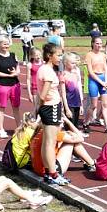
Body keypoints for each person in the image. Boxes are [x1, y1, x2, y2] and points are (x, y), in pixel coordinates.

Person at [37, 42, 68, 185]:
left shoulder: (43, 69)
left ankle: (48, 171)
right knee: (50, 142)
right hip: (51, 107)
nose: (60, 58)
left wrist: (38, 109)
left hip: (47, 108)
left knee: (46, 142)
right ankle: (53, 175)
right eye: (59, 55)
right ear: (50, 56)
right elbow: (43, 95)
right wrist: (39, 109)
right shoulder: (48, 72)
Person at [0, 35, 21, 138]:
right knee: (1, 107)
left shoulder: (13, 55)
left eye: (7, 43)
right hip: (2, 85)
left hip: (15, 84)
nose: (6, 45)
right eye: (4, 43)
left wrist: (15, 73)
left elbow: (18, 69)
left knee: (16, 107)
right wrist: (9, 75)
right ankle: (1, 129)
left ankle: (19, 128)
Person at [84, 37, 107, 129]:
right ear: (93, 44)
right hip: (94, 80)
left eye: (100, 43)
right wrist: (101, 82)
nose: (99, 45)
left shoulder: (103, 55)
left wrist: (106, 81)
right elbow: (90, 73)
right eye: (97, 43)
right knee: (94, 105)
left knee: (105, 104)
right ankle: (86, 122)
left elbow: (106, 69)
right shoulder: (89, 55)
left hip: (103, 78)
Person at [61, 52, 84, 131]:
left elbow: (78, 90)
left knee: (75, 128)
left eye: (75, 63)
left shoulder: (75, 74)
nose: (74, 65)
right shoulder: (63, 75)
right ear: (65, 63)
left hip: (77, 103)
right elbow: (63, 94)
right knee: (69, 129)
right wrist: (66, 109)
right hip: (70, 104)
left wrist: (81, 105)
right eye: (72, 63)